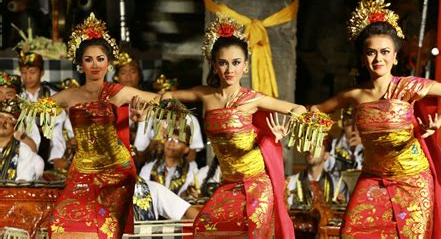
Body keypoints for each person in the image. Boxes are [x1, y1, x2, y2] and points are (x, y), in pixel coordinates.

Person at [310, 0, 441, 238]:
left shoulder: (408, 87)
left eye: (385, 52)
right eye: (371, 52)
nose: (378, 59)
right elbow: (315, 110)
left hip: (413, 182)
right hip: (373, 180)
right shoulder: (354, 95)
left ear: (395, 56)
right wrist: (315, 138)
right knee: (350, 233)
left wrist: (440, 120)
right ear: (363, 57)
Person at [134, 15, 307, 238]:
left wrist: (288, 127)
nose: (229, 69)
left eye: (236, 62)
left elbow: (299, 108)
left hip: (256, 185)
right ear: (214, 66)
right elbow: (167, 96)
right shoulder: (206, 95)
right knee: (203, 228)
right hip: (229, 184)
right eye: (223, 63)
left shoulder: (253, 99)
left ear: (245, 66)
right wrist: (145, 108)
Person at [16, 13, 162, 238]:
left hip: (115, 170)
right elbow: (31, 108)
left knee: (104, 230)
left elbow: (158, 100)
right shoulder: (69, 95)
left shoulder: (117, 92)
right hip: (83, 169)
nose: (95, 65)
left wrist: (148, 110)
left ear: (108, 63)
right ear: (80, 64)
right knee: (61, 225)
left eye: (100, 59)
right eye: (89, 59)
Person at [287, 137, 348, 208]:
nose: (310, 149)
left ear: (326, 155)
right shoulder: (291, 183)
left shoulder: (338, 186)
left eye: (317, 145)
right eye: (309, 145)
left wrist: (342, 205)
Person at [139, 126, 198, 197]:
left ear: (186, 149)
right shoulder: (148, 168)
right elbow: (141, 195)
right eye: (169, 139)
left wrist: (188, 192)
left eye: (178, 141)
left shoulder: (191, 169)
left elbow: (188, 194)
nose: (171, 143)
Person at [0, 99, 44, 181]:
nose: (3, 121)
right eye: (0, 116)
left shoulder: (24, 152)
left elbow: (22, 186)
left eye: (10, 119)